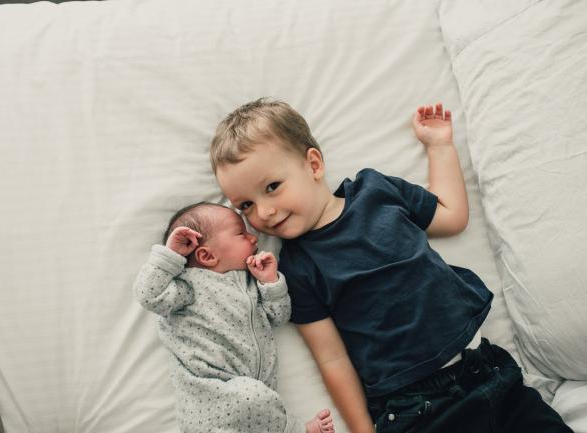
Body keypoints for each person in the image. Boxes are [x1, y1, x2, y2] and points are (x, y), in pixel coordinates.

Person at [210, 98, 574, 433]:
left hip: (487, 372)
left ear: (314, 164)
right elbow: (333, 359)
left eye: (272, 186)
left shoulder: (376, 191)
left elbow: (452, 216)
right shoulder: (298, 268)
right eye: (245, 206)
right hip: (417, 408)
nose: (264, 212)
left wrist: (440, 147)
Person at [132, 201, 335, 433]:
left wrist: (270, 282)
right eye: (241, 234)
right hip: (209, 397)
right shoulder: (188, 286)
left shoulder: (251, 285)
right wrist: (170, 255)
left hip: (253, 406)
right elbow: (148, 295)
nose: (253, 238)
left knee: (255, 397)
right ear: (207, 256)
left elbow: (279, 317)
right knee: (253, 397)